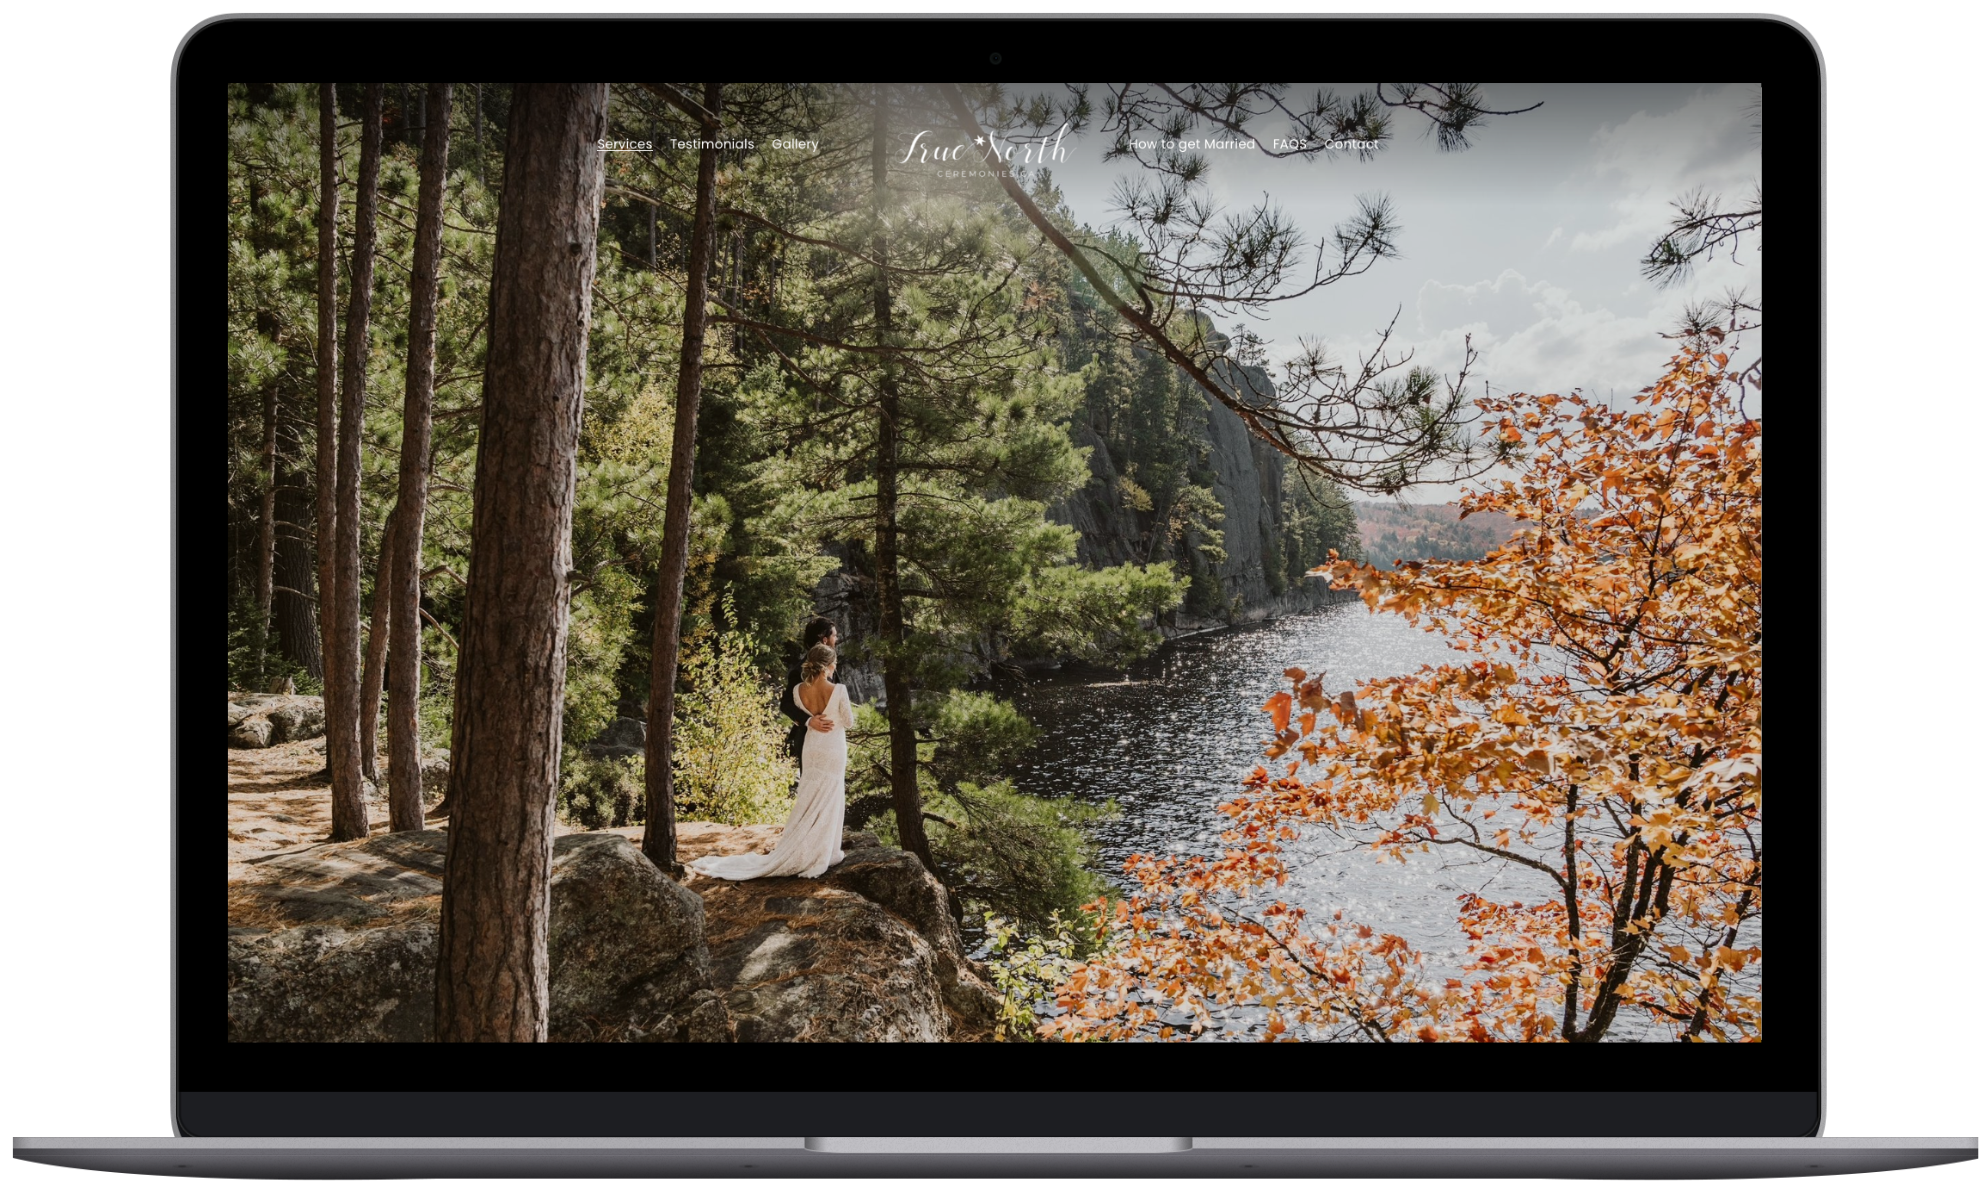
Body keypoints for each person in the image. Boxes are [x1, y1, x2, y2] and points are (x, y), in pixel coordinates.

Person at [780, 616, 839, 773]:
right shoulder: (798, 671)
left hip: (832, 740)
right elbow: (785, 704)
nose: (837, 639)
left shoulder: (833, 668)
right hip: (808, 738)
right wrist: (809, 721)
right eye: (834, 635)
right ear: (824, 640)